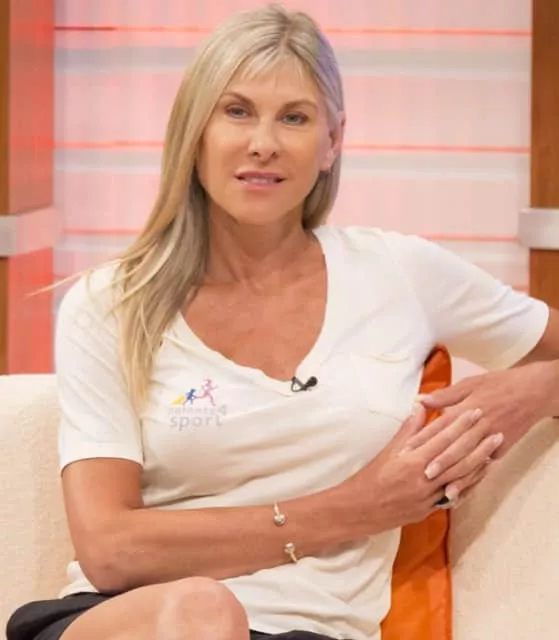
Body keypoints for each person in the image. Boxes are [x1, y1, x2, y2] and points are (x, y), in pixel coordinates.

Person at [6, 4, 559, 640]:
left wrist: (533, 389)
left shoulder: (400, 273)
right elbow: (109, 549)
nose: (263, 142)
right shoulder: (112, 303)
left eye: (294, 117)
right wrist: (358, 508)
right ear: (194, 132)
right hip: (134, 620)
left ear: (333, 141)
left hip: (313, 630)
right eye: (237, 111)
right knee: (203, 613)